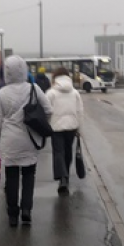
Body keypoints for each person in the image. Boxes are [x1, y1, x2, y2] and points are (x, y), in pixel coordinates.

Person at [0, 55, 52, 227]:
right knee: (29, 175)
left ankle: (12, 214)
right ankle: (26, 210)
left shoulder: (2, 93)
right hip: (30, 139)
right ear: (24, 70)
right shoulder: (33, 88)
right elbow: (48, 109)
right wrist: (40, 124)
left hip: (9, 143)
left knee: (11, 177)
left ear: (7, 72)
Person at [45, 67, 83, 195]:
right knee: (68, 152)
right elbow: (80, 111)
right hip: (72, 126)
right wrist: (79, 128)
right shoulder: (75, 93)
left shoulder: (51, 93)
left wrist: (47, 125)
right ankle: (65, 176)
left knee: (58, 152)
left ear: (55, 77)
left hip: (56, 128)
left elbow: (46, 111)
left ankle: (63, 178)